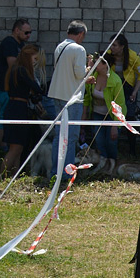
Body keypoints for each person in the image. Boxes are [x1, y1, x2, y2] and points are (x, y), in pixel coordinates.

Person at [48, 21, 89, 174]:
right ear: (81, 34)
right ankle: (67, 173)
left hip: (57, 94)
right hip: (72, 97)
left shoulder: (60, 46)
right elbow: (79, 74)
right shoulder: (79, 49)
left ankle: (55, 171)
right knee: (71, 136)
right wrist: (89, 67)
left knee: (59, 135)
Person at [1, 43, 46, 174]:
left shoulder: (16, 69)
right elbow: (38, 89)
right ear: (28, 56)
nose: (35, 62)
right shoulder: (21, 70)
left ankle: (13, 176)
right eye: (35, 59)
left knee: (18, 148)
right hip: (17, 110)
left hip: (16, 108)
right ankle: (2, 176)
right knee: (15, 148)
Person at [83, 52, 126, 176]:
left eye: (98, 62)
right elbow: (86, 97)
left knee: (111, 142)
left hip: (112, 116)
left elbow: (120, 105)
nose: (95, 65)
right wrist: (84, 114)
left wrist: (115, 126)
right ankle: (102, 169)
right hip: (97, 114)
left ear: (105, 64)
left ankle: (113, 169)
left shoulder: (115, 81)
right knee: (99, 141)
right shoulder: (93, 77)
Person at [0, 18, 32, 147]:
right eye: (26, 32)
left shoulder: (20, 45)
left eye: (29, 33)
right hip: (6, 88)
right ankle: (4, 147)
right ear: (17, 30)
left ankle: (12, 148)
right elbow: (13, 66)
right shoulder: (9, 43)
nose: (28, 36)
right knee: (4, 116)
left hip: (16, 90)